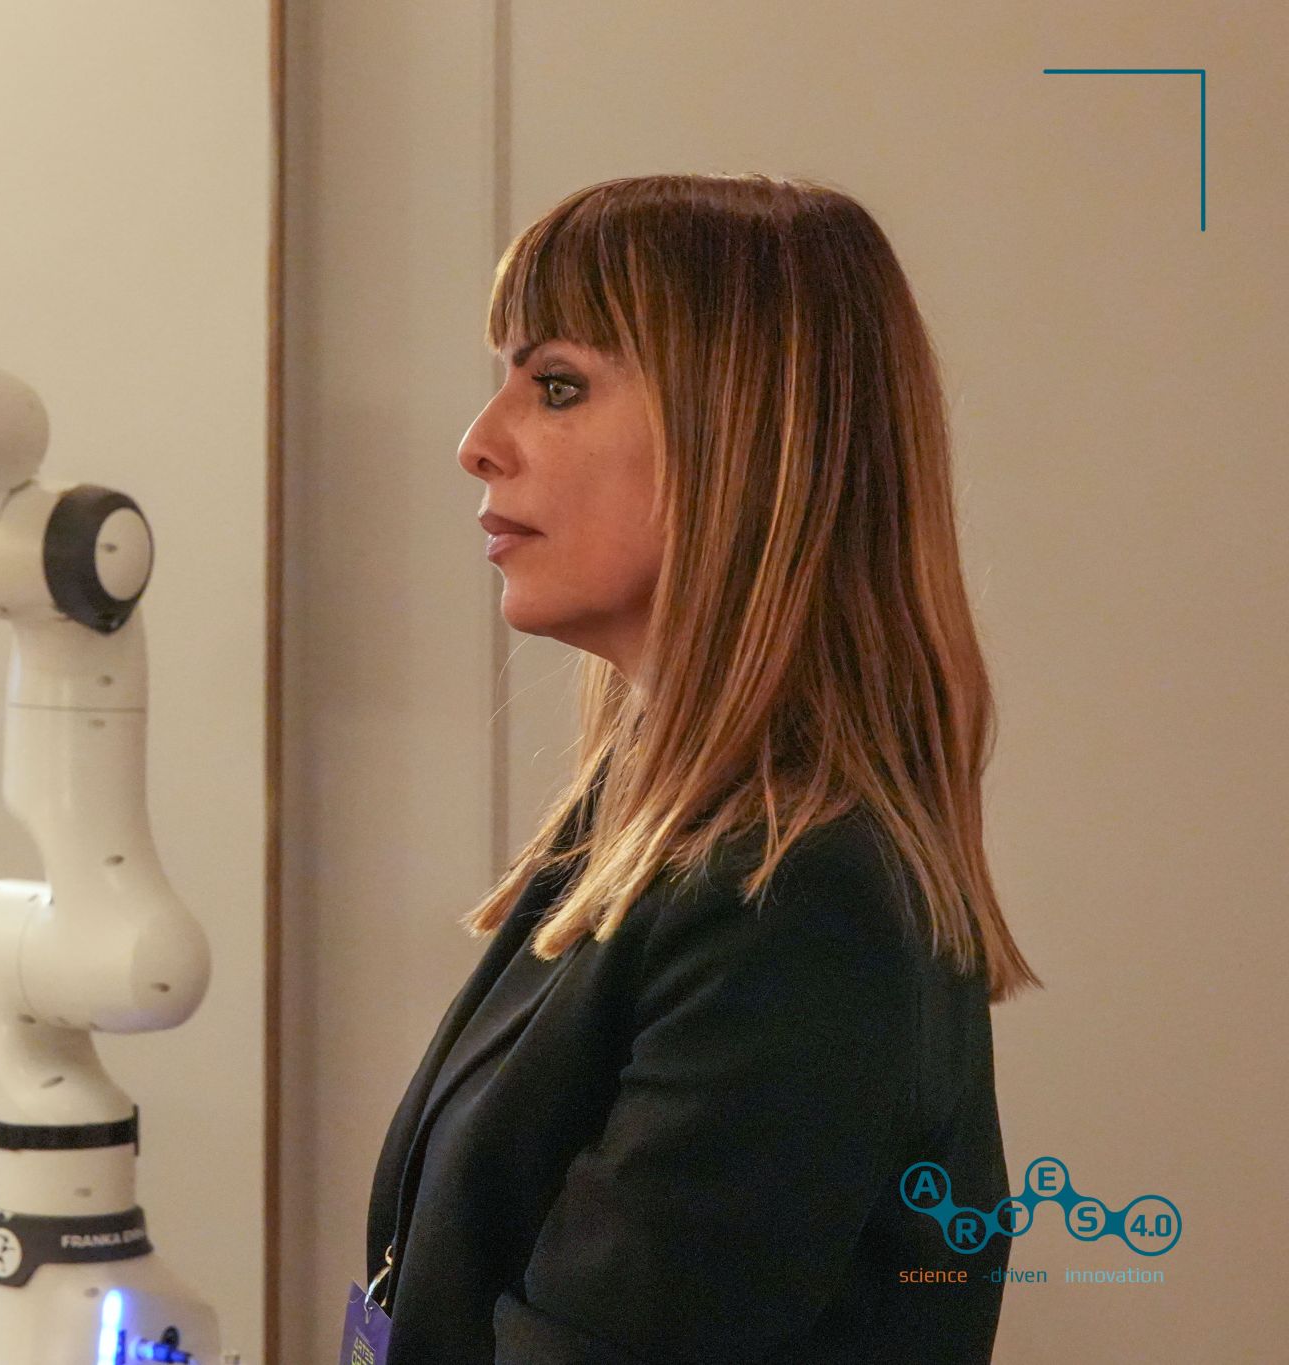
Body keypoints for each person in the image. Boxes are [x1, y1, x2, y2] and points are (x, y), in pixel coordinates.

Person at [363, 174, 1042, 1364]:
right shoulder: (643, 818)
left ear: (741, 438)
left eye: (555, 384)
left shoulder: (792, 900)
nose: (477, 444)